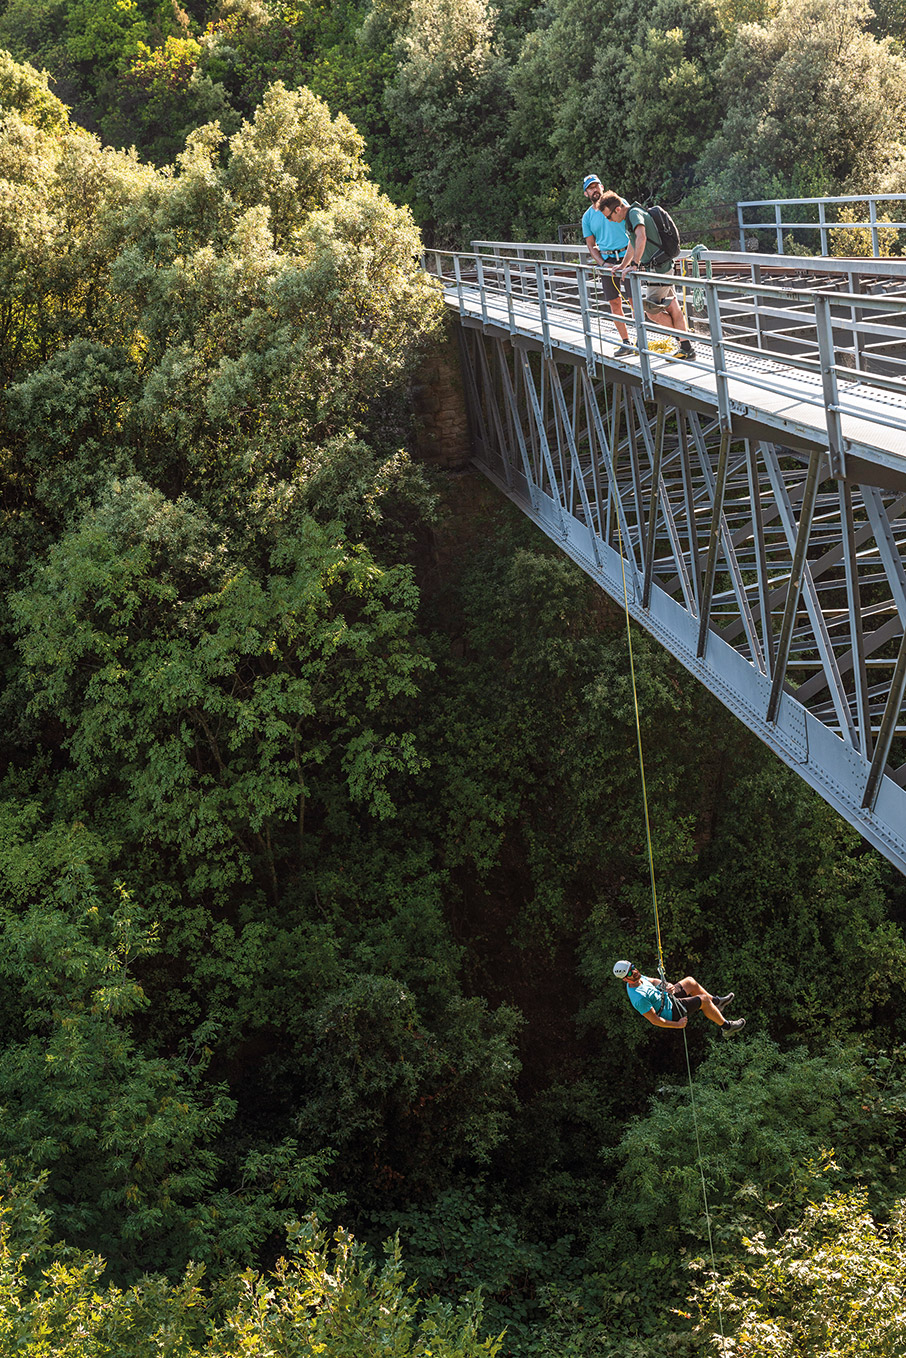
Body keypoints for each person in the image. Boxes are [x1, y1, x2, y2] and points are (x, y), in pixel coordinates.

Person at [596, 191, 695, 361]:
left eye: (609, 217)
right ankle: (686, 347)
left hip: (659, 270)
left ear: (618, 209)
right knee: (672, 307)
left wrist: (634, 265)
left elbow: (641, 236)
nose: (609, 221)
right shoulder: (631, 217)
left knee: (651, 311)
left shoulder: (634, 214)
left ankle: (685, 344)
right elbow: (633, 244)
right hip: (659, 268)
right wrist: (623, 265)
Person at [613, 960, 746, 1036]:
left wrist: (666, 985)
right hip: (671, 1012)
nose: (635, 972)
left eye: (633, 967)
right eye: (630, 972)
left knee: (690, 982)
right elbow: (655, 1020)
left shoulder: (638, 977)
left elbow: (653, 981)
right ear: (625, 979)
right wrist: (677, 1025)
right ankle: (727, 1027)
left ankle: (716, 1003)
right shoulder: (638, 998)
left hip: (667, 997)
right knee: (703, 1000)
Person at [581, 175, 635, 358]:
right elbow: (590, 245)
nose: (594, 190)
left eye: (596, 186)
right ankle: (626, 342)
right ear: (586, 193)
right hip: (607, 261)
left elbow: (635, 227)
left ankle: (640, 341)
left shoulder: (618, 203)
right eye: (590, 188)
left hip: (627, 256)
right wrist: (602, 264)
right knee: (614, 302)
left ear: (602, 187)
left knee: (634, 301)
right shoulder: (587, 217)